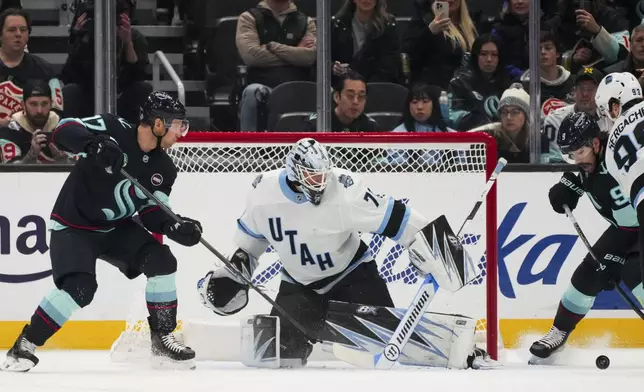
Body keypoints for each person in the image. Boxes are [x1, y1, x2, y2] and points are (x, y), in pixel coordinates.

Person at [196, 137, 497, 369]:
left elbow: (400, 218)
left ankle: (466, 353)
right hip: (299, 286)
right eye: (314, 178)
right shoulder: (263, 195)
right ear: (295, 174)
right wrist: (233, 272)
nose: (322, 183)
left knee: (390, 342)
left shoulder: (344, 192)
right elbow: (249, 246)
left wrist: (439, 248)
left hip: (352, 277)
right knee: (278, 356)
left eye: (324, 175)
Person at [1, 91, 202, 372]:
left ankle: (162, 339)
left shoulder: (164, 167)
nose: (182, 132)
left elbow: (151, 211)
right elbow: (62, 131)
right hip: (74, 226)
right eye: (178, 124)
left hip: (115, 228)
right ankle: (25, 343)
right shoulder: (113, 128)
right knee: (80, 289)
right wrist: (93, 144)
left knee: (162, 260)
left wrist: (175, 225)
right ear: (158, 124)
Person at [529, 111, 642, 364]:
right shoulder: (591, 161)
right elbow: (581, 176)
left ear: (596, 143)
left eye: (579, 152)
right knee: (586, 275)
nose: (576, 159)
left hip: (636, 227)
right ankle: (559, 331)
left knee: (635, 273)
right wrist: (566, 188)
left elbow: (631, 226)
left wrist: (614, 261)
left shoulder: (614, 167)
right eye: (570, 154)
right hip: (625, 228)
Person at [0, 79, 70, 164]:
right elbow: (11, 172)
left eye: (44, 104)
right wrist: (30, 156)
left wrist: (66, 162)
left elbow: (82, 166)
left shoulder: (64, 128)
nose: (39, 111)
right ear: (23, 105)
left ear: (51, 104)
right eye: (33, 104)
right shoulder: (9, 131)